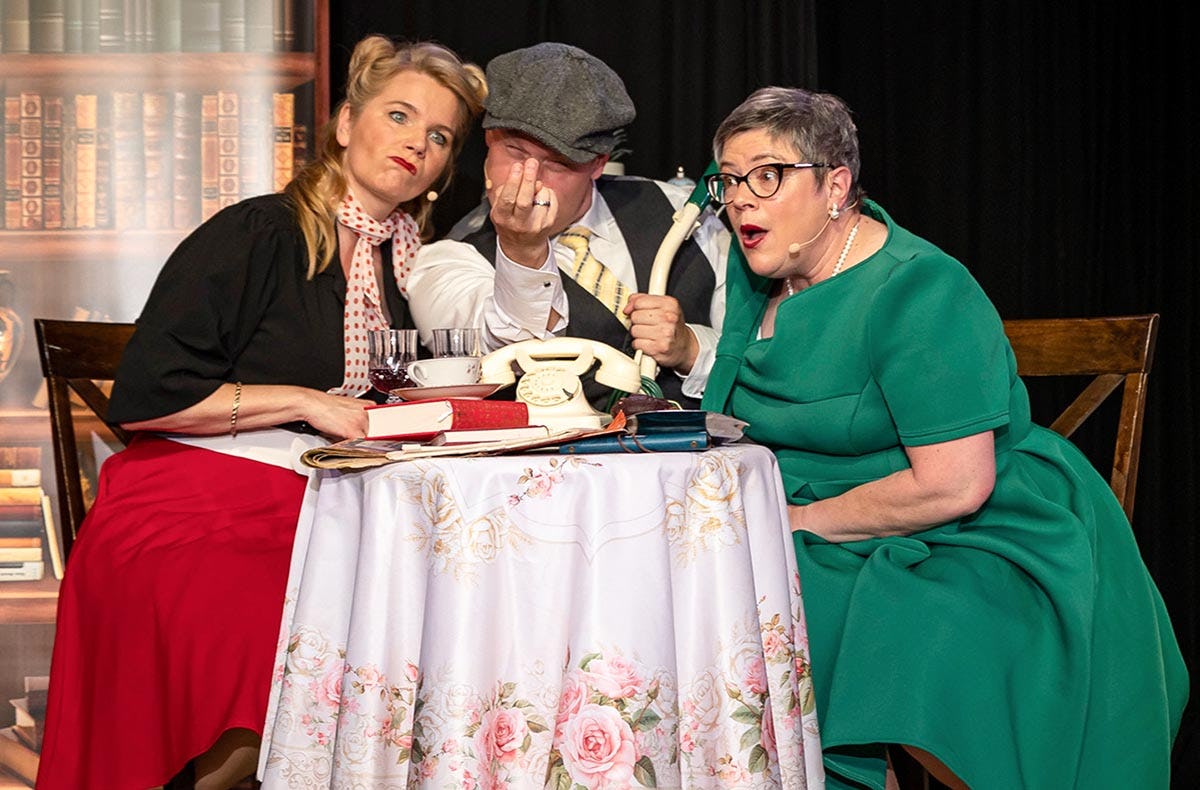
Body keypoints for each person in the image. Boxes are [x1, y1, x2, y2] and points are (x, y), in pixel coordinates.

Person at [699, 86, 1188, 790]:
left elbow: (956, 483)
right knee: (716, 583)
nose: (741, 199)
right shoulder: (760, 278)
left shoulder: (919, 289)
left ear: (835, 186)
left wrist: (796, 521)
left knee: (878, 620)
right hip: (834, 520)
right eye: (729, 180)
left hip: (976, 525)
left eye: (767, 176)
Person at [37, 36, 487, 790]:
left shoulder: (417, 264)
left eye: (439, 135)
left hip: (327, 490)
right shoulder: (258, 233)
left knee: (441, 590)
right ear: (345, 122)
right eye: (399, 115)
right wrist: (306, 402)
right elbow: (148, 394)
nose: (417, 142)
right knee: (286, 608)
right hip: (190, 488)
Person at [406, 42, 730, 409]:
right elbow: (498, 356)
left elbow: (758, 353)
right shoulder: (448, 258)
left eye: (558, 163)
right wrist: (522, 250)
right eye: (515, 152)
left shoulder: (680, 213)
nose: (531, 177)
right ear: (489, 140)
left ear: (597, 164)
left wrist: (691, 348)